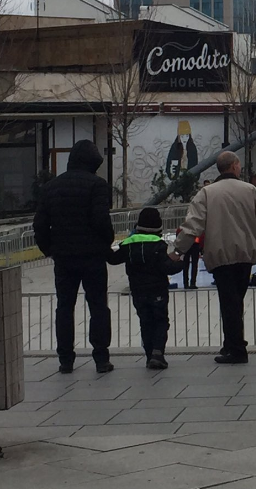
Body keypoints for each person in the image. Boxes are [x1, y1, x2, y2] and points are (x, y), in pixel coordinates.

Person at [172, 151, 256, 364]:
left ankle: (235, 348)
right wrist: (255, 243)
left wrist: (178, 250)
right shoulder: (250, 190)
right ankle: (234, 343)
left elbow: (193, 225)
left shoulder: (206, 193)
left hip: (220, 255)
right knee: (236, 301)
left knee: (229, 302)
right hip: (245, 255)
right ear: (234, 166)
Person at [33, 140, 115, 374]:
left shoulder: (51, 187)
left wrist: (49, 249)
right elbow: (101, 220)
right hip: (92, 258)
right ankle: (101, 358)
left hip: (64, 258)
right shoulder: (97, 185)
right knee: (98, 306)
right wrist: (106, 242)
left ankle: (66, 360)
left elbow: (39, 224)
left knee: (64, 307)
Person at [107, 207, 183, 369]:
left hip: (138, 291)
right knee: (161, 321)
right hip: (158, 290)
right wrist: (181, 262)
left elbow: (113, 259)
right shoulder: (158, 245)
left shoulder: (128, 244)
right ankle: (158, 352)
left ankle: (149, 355)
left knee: (145, 322)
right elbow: (167, 267)